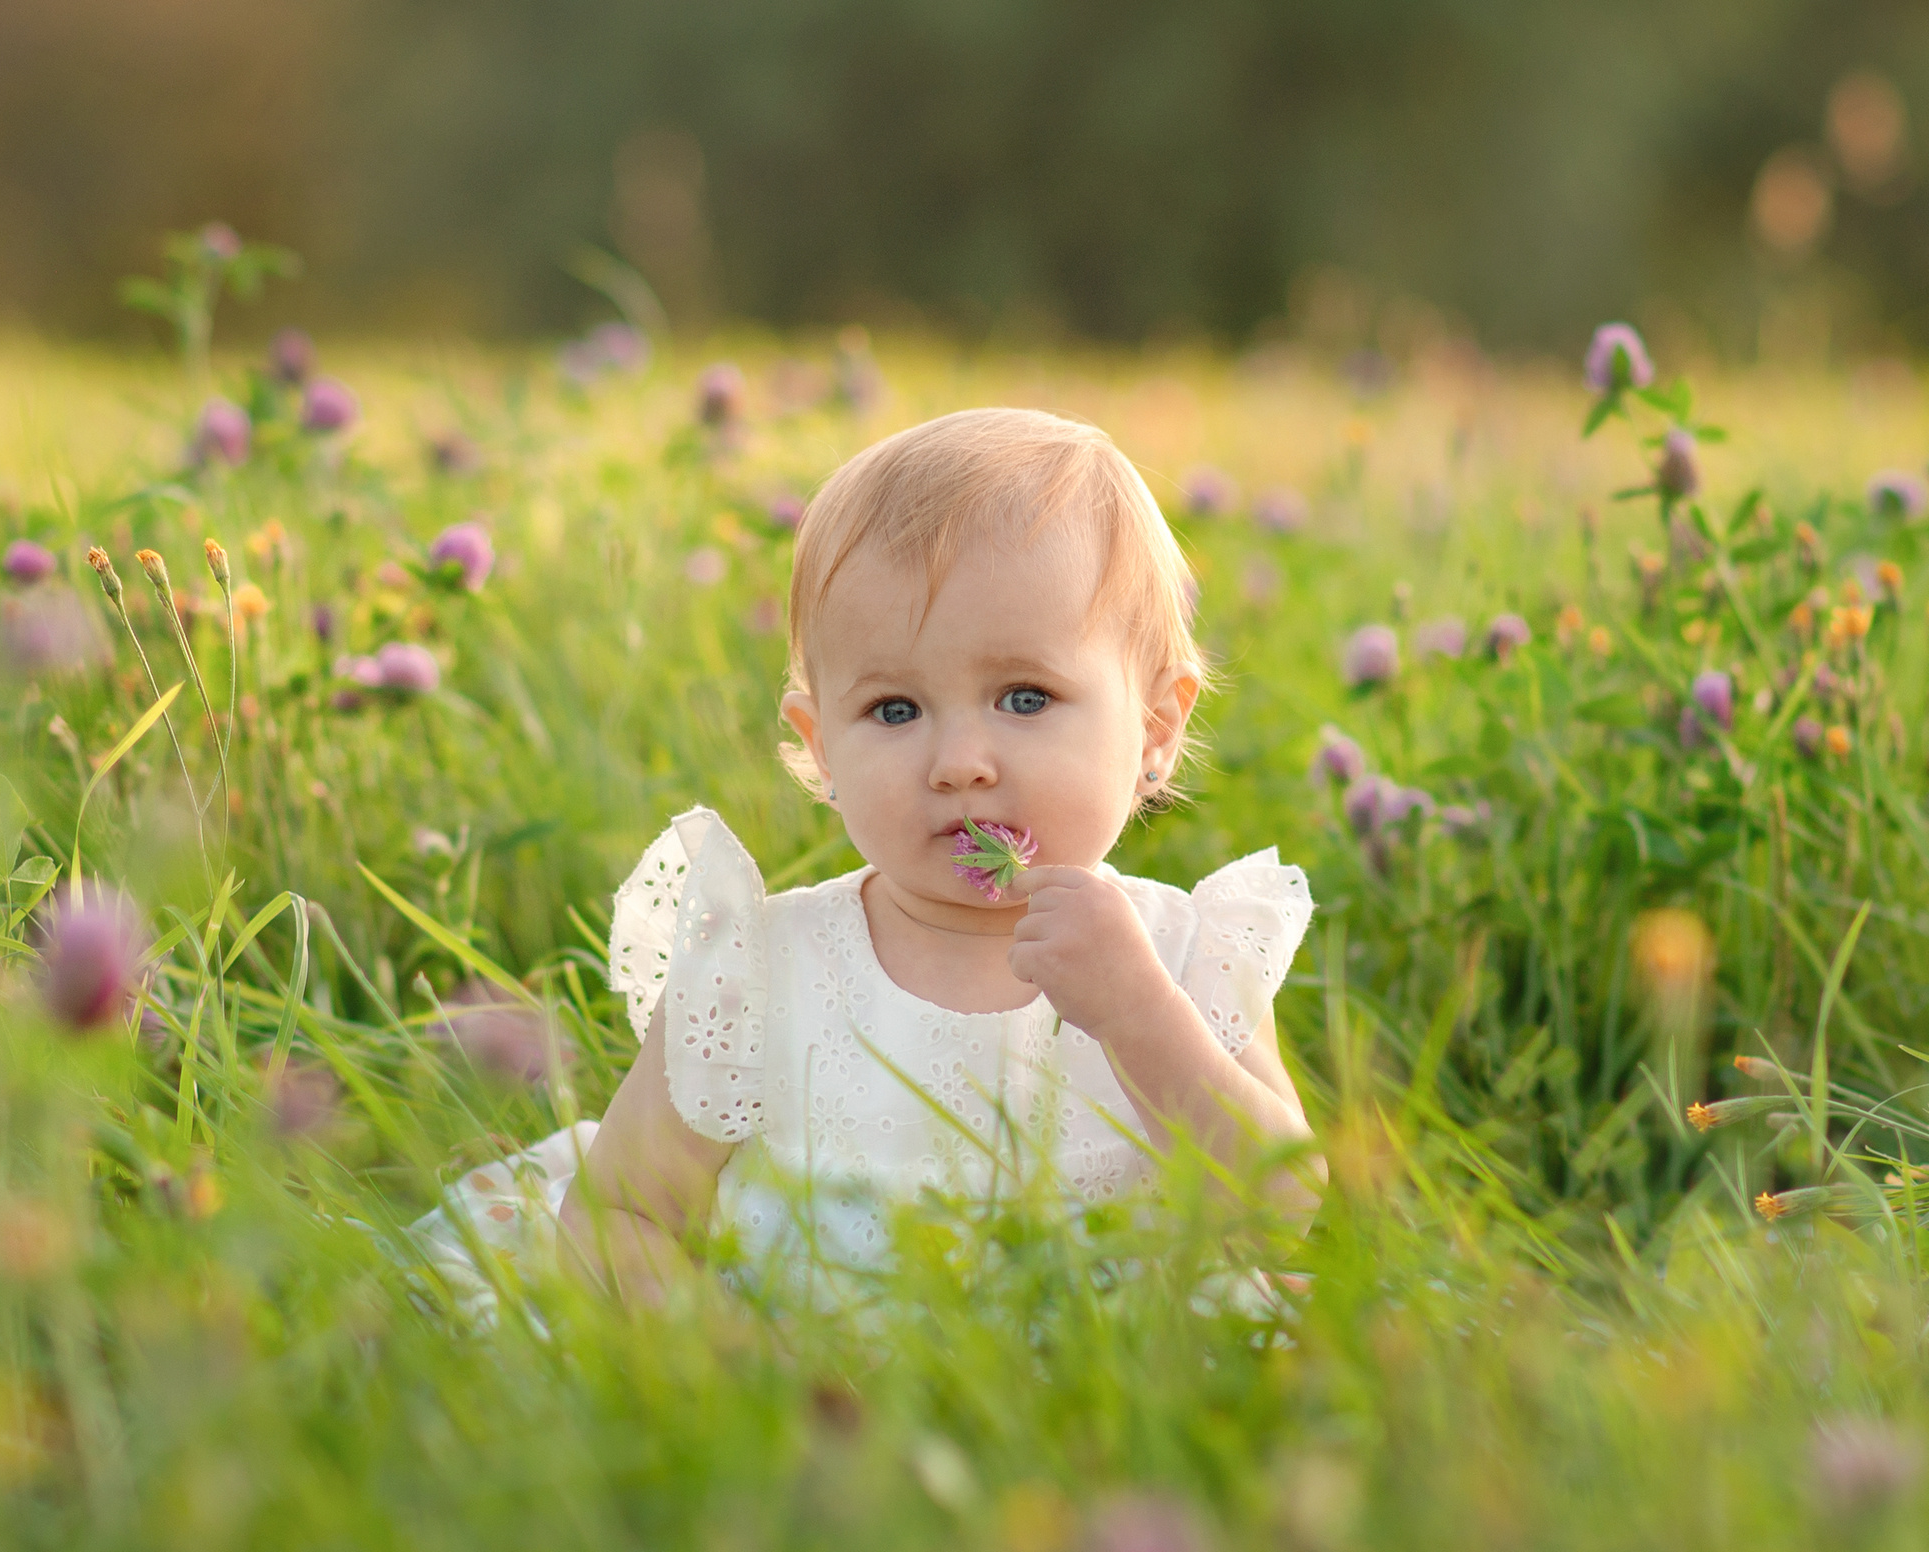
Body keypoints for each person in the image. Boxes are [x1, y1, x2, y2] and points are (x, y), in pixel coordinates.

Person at [411, 407, 1317, 1312]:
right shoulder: (761, 969)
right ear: (822, 747)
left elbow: (1286, 1204)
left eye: (1025, 697)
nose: (961, 761)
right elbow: (622, 1216)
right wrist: (727, 1363)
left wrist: (1139, 1016)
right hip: (803, 1372)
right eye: (894, 710)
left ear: (1156, 728)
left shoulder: (1183, 956)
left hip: (1111, 1375)